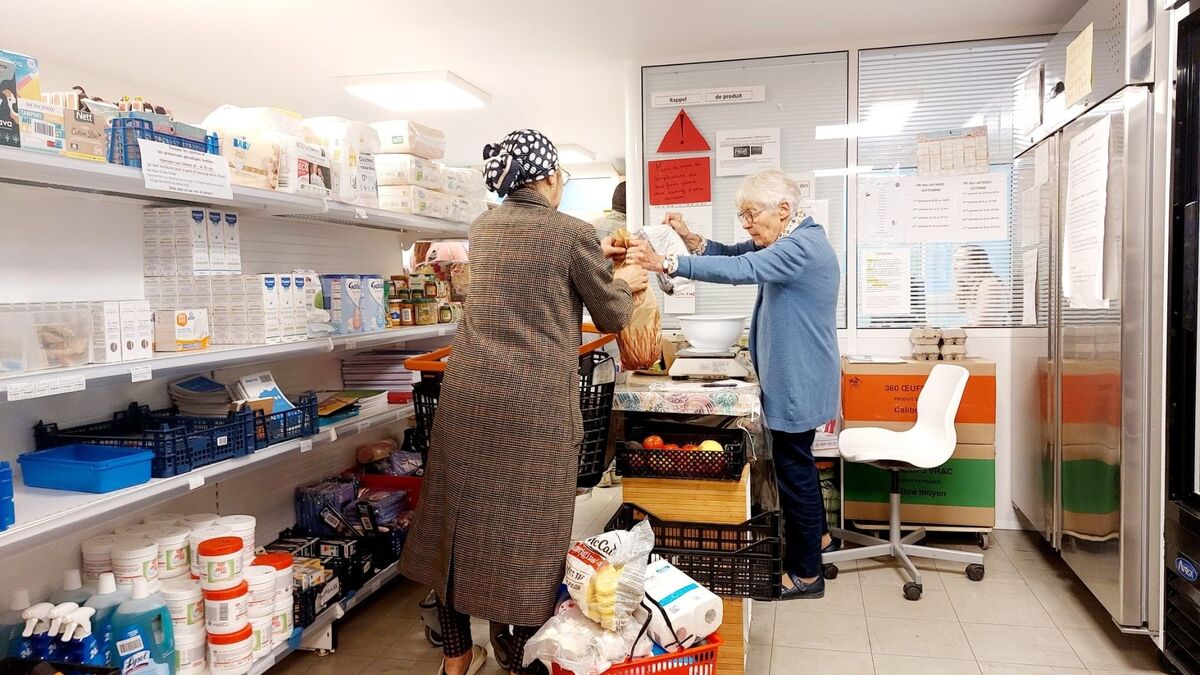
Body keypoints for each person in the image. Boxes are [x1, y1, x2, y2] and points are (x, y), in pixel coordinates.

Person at [398, 128, 648, 675]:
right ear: (550, 178)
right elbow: (612, 315)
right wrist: (625, 277)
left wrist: (591, 255)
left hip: (467, 399)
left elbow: (532, 266)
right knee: (526, 534)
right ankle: (518, 657)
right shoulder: (570, 232)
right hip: (531, 410)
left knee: (457, 527)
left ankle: (457, 656)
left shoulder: (485, 227)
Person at [627, 169, 840, 600]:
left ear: (783, 209)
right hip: (797, 373)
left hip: (798, 376)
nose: (746, 224)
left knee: (794, 469)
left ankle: (807, 574)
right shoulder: (787, 238)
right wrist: (688, 238)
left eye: (750, 214)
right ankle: (816, 543)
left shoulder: (802, 246)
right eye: (741, 215)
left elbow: (742, 269)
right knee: (797, 462)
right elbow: (731, 254)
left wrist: (666, 262)